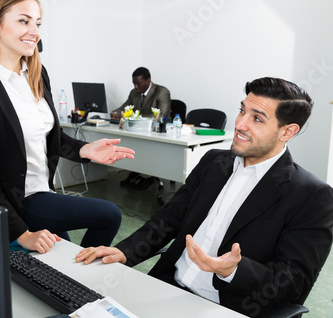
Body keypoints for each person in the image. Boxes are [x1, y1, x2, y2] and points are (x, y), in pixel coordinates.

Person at [76, 77, 333, 317]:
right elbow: (169, 218)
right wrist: (124, 252)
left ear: (287, 132)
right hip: (167, 286)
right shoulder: (214, 162)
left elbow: (295, 281)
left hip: (226, 306)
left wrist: (234, 270)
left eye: (257, 119)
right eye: (242, 110)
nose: (240, 124)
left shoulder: (312, 195)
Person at [0, 0, 135, 254]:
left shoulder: (37, 74)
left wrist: (85, 150)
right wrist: (22, 234)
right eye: (23, 21)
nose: (34, 31)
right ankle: (86, 274)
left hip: (44, 192)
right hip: (20, 202)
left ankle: (80, 278)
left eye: (37, 23)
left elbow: (49, 136)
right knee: (109, 214)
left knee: (64, 259)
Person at [111, 67, 171, 188]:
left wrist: (135, 117)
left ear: (148, 80)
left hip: (157, 132)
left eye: (138, 83)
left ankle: (147, 176)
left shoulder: (161, 91)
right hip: (138, 130)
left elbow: (161, 116)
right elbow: (125, 106)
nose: (136, 87)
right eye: (134, 83)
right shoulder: (134, 93)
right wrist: (115, 113)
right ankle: (139, 170)